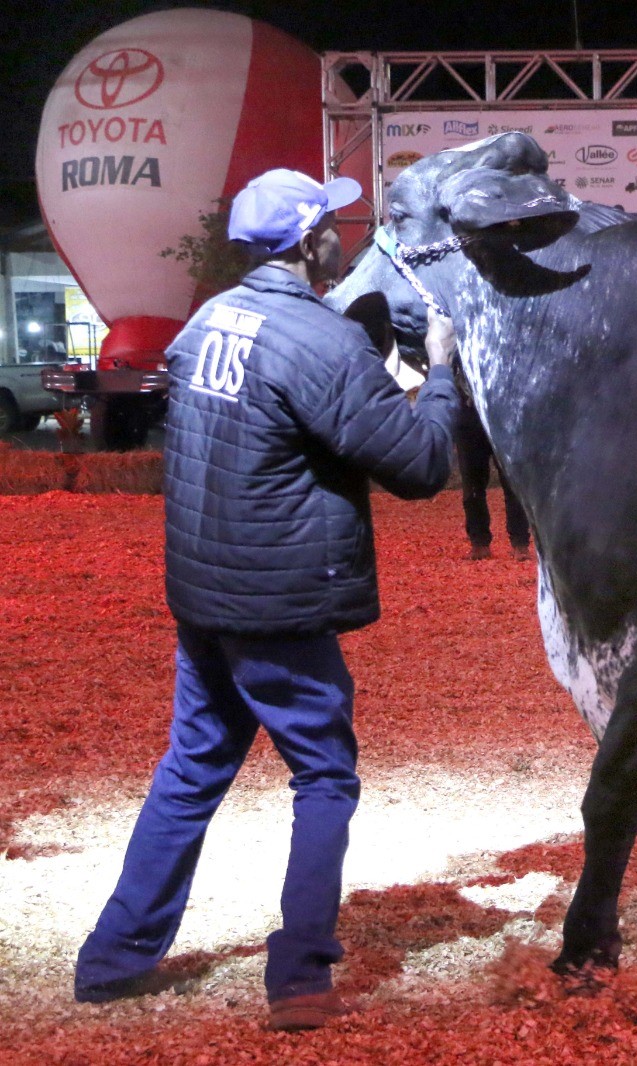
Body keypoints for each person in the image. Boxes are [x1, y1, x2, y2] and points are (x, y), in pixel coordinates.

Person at [73, 169, 461, 1032]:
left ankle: (113, 958)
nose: (341, 237)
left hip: (204, 593)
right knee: (324, 776)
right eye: (331, 224)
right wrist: (438, 372)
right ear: (310, 242)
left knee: (191, 770)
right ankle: (300, 977)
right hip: (278, 602)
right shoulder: (323, 342)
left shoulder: (208, 320)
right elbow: (422, 467)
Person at [456, 390, 531, 560]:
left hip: (502, 410)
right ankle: (479, 543)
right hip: (469, 412)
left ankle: (520, 542)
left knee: (512, 482)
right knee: (472, 483)